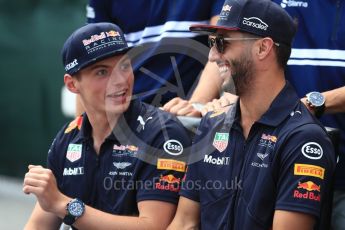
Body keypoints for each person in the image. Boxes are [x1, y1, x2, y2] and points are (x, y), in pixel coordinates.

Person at [167, 0, 336, 229]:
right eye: (211, 42)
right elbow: (184, 223)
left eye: (221, 43)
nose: (212, 56)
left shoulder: (303, 139)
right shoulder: (212, 124)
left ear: (263, 48)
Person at [23, 22, 191, 229]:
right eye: (102, 72)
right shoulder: (67, 139)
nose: (119, 81)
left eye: (124, 66)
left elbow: (154, 226)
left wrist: (63, 204)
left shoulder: (162, 134)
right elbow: (39, 225)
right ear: (72, 84)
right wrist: (53, 200)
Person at [82, 0, 224, 117]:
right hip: (126, 116)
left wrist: (196, 105)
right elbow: (90, 65)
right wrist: (83, 132)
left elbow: (222, 47)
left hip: (184, 117)